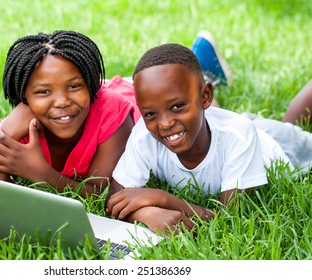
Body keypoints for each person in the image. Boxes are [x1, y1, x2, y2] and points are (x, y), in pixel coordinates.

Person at [106, 42, 312, 235]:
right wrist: (147, 214)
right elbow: (115, 200)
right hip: (213, 124)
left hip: (276, 145)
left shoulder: (240, 136)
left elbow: (232, 220)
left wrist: (162, 199)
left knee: (293, 125)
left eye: (177, 106)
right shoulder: (144, 134)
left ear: (206, 97)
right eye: (151, 114)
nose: (165, 123)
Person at [0, 30, 140, 196]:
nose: (62, 101)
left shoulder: (113, 114)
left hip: (130, 93)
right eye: (43, 91)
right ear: (24, 97)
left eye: (74, 86)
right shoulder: (22, 125)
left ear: (90, 85)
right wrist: (8, 133)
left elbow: (102, 193)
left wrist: (41, 173)